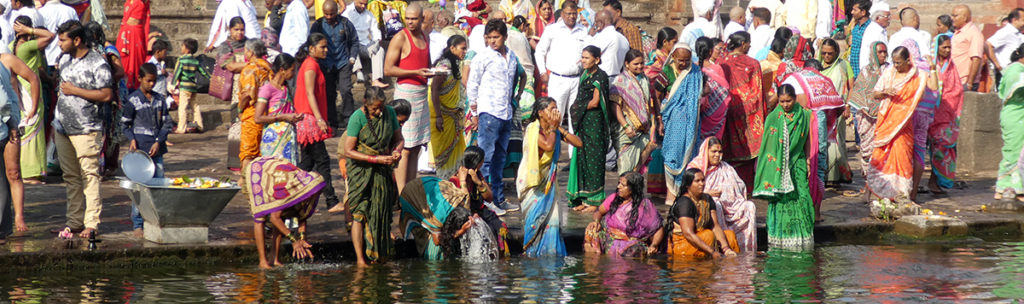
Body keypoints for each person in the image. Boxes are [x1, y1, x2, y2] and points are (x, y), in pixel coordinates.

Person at [53, 20, 114, 238]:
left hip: (86, 128)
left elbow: (107, 95)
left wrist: (75, 91)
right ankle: (74, 221)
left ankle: (91, 223)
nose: (59, 44)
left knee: (89, 175)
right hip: (61, 126)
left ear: (77, 40)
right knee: (70, 176)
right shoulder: (64, 59)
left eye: (63, 40)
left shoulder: (97, 63)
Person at [342, 86, 404, 265]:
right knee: (359, 213)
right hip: (361, 172)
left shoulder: (390, 113)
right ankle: (360, 259)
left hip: (382, 172)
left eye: (381, 107)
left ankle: (379, 255)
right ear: (365, 104)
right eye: (374, 108)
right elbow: (348, 150)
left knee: (381, 212)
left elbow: (399, 139)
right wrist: (375, 159)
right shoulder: (357, 118)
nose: (378, 112)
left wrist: (396, 151)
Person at [778, 59, 845, 220]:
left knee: (793, 166)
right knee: (818, 166)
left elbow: (779, 99)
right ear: (818, 70)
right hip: (817, 127)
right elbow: (839, 107)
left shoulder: (793, 78)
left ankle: (794, 211)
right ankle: (816, 212)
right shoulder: (823, 81)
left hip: (798, 125)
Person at [518, 97, 583, 257]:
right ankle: (532, 254)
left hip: (549, 184)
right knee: (535, 221)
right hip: (533, 185)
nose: (556, 112)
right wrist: (554, 129)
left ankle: (550, 256)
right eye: (551, 108)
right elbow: (548, 145)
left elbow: (579, 143)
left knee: (551, 222)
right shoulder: (533, 129)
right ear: (540, 112)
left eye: (556, 108)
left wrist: (559, 129)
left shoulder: (554, 130)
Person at [752, 84, 813, 249]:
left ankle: (802, 236)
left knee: (801, 197)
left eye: (789, 100)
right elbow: (768, 149)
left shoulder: (804, 115)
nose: (786, 104)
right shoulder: (773, 118)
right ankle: (780, 236)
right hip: (779, 166)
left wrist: (807, 159)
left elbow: (807, 139)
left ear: (794, 98)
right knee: (781, 202)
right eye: (782, 101)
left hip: (798, 163)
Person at [865, 46, 929, 201]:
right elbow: (875, 94)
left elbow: (919, 97)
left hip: (904, 123)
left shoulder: (918, 76)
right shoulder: (889, 73)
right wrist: (885, 91)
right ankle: (879, 194)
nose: (896, 66)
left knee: (902, 156)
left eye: (899, 63)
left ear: (908, 61)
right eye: (894, 62)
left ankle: (900, 195)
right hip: (887, 121)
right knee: (881, 156)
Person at [385, 3, 433, 194]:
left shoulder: (424, 36)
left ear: (422, 19)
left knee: (416, 147)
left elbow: (426, 64)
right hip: (406, 93)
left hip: (422, 93)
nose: (411, 22)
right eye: (408, 18)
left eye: (414, 19)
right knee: (404, 146)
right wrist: (415, 71)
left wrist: (433, 72)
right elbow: (388, 69)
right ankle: (402, 192)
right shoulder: (400, 38)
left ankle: (411, 190)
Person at [120, 63, 171, 237]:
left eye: (154, 81)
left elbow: (167, 124)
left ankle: (156, 220)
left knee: (158, 185)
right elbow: (125, 124)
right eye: (148, 81)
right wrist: (131, 138)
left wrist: (159, 141)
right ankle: (138, 223)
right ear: (140, 79)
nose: (151, 84)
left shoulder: (160, 100)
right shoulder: (132, 100)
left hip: (157, 150)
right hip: (140, 152)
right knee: (139, 188)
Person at [245, 156, 323, 269]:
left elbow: (302, 217)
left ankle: (274, 259)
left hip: (277, 173)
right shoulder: (287, 190)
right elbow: (274, 218)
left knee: (283, 215)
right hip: (259, 171)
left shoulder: (309, 191)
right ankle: (263, 261)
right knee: (260, 216)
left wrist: (302, 240)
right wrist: (293, 240)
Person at [399, 176, 498, 260]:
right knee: (436, 253)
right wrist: (460, 231)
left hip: (431, 188)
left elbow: (468, 203)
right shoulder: (437, 218)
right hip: (413, 195)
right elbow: (437, 241)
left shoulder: (461, 202)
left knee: (450, 241)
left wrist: (473, 216)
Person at [294, 33, 340, 211]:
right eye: (323, 47)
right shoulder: (310, 65)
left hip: (309, 116)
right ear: (311, 48)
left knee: (307, 163)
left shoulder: (312, 64)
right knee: (322, 161)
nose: (326, 50)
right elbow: (310, 93)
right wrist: (319, 118)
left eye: (326, 46)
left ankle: (293, 196)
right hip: (309, 118)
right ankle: (331, 201)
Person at [649, 168, 740, 258]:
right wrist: (712, 252)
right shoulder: (685, 203)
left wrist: (726, 249)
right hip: (682, 243)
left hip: (701, 237)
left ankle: (731, 270)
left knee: (729, 236)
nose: (702, 184)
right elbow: (689, 234)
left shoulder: (708, 199)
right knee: (708, 235)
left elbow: (715, 226)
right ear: (688, 185)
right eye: (697, 181)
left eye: (703, 180)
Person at [686, 137, 756, 252]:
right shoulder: (695, 168)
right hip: (705, 205)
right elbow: (686, 190)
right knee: (715, 203)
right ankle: (722, 245)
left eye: (720, 152)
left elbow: (740, 186)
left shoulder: (726, 168)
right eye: (714, 151)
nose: (717, 155)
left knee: (749, 206)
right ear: (705, 151)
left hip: (731, 206)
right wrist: (706, 194)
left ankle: (747, 250)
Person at [719, 31, 765, 192]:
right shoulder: (752, 63)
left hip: (726, 111)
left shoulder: (720, 62)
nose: (750, 46)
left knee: (728, 151)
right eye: (749, 43)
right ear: (743, 43)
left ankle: (730, 188)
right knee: (747, 153)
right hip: (748, 113)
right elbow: (758, 92)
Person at [659, 41, 702, 206]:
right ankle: (671, 193)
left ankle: (683, 192)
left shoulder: (695, 72)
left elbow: (698, 93)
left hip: (691, 122)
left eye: (687, 60)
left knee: (689, 154)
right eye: (680, 60)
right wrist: (659, 118)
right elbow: (656, 94)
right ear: (673, 57)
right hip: (672, 120)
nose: (684, 64)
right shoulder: (667, 72)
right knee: (672, 154)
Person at [567, 45, 608, 211]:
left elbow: (595, 102)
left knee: (594, 160)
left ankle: (595, 200)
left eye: (587, 58)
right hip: (584, 121)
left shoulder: (601, 76)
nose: (583, 60)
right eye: (582, 57)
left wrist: (576, 108)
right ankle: (583, 197)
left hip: (595, 123)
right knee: (582, 157)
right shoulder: (584, 74)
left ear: (597, 59)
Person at [10, 18, 50, 185]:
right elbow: (50, 35)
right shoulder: (26, 46)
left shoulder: (12, 45)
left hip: (21, 90)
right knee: (32, 128)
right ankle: (31, 172)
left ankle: (30, 170)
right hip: (30, 90)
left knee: (27, 127)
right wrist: (30, 30)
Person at [584, 171, 662, 257]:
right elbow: (598, 212)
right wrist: (596, 221)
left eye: (623, 185)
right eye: (619, 183)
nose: (618, 187)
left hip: (631, 245)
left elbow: (658, 229)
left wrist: (654, 245)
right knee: (591, 231)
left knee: (635, 250)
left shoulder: (645, 206)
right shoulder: (614, 198)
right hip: (609, 239)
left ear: (633, 188)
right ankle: (593, 263)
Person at [311, 0, 360, 129]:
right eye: (326, 14)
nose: (328, 17)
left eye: (331, 14)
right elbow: (311, 42)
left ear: (337, 12)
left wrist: (352, 58)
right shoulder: (318, 25)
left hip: (343, 62)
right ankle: (332, 122)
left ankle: (349, 121)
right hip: (326, 64)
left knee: (346, 90)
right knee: (329, 93)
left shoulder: (345, 23)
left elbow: (354, 41)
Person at [925, 35, 964, 195]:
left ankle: (936, 181)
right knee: (927, 148)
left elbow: (957, 89)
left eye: (949, 47)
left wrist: (947, 98)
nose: (947, 51)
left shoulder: (951, 67)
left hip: (946, 115)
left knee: (942, 149)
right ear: (936, 48)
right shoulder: (929, 65)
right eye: (944, 47)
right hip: (929, 113)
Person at [535, 0, 586, 121]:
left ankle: (572, 140)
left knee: (575, 116)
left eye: (574, 13)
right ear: (562, 14)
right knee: (555, 115)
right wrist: (542, 72)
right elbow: (539, 51)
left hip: (577, 79)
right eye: (568, 13)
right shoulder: (552, 29)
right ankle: (554, 140)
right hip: (558, 79)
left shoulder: (583, 30)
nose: (572, 16)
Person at [847, 41, 887, 191]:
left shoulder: (889, 71)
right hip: (866, 117)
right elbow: (858, 93)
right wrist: (868, 109)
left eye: (884, 52)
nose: (883, 55)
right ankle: (867, 181)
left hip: (884, 117)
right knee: (867, 151)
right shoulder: (866, 72)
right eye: (880, 52)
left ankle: (878, 183)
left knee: (881, 151)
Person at [428, 35, 468, 180]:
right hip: (442, 116)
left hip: (452, 116)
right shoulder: (444, 66)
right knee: (443, 154)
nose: (465, 51)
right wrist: (439, 116)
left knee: (455, 152)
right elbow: (434, 90)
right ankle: (444, 183)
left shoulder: (455, 64)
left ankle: (454, 183)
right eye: (462, 48)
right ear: (452, 48)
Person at [611, 49, 654, 174]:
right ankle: (623, 191)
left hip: (643, 130)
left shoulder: (644, 79)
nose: (640, 66)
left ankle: (635, 192)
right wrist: (626, 126)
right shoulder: (620, 80)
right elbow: (615, 105)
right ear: (627, 64)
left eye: (641, 63)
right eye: (636, 64)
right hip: (627, 132)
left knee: (639, 167)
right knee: (626, 166)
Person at [818, 38, 853, 185]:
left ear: (836, 52)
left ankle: (836, 175)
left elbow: (851, 87)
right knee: (822, 142)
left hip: (837, 111)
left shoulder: (844, 66)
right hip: (821, 111)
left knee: (837, 141)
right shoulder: (817, 66)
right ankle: (823, 175)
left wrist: (847, 106)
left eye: (830, 54)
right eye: (824, 53)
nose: (826, 56)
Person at [255, 54, 301, 164]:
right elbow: (258, 118)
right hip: (274, 139)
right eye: (292, 70)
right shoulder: (267, 89)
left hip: (288, 139)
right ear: (282, 70)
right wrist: (283, 117)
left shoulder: (285, 88)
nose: (294, 74)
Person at [237, 39, 273, 183]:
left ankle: (244, 182)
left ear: (250, 52)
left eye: (245, 50)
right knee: (260, 151)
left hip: (252, 113)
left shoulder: (250, 69)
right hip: (267, 112)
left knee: (248, 152)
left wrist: (240, 109)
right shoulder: (268, 67)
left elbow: (247, 94)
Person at [996, 44, 1024, 201]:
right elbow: (1017, 86)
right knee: (1013, 150)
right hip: (1014, 115)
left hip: (1021, 114)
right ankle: (1003, 187)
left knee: (1021, 152)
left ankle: (1019, 188)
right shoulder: (1015, 70)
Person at [344, 0, 388, 88]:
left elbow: (375, 30)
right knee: (350, 42)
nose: (363, 6)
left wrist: (377, 40)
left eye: (365, 4)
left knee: (380, 50)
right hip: (352, 44)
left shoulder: (369, 14)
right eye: (361, 3)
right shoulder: (347, 13)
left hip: (365, 44)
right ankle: (358, 71)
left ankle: (376, 80)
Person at [695, 36, 730, 141]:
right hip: (716, 115)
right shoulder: (717, 68)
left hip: (699, 114)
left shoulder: (693, 68)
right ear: (711, 51)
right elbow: (724, 93)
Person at [171, 38, 209, 134]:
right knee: (195, 106)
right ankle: (200, 125)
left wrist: (173, 83)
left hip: (184, 87)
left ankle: (181, 127)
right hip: (193, 87)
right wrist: (210, 78)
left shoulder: (181, 60)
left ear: (187, 49)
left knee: (182, 107)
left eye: (182, 46)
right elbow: (203, 72)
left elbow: (177, 73)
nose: (181, 47)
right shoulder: (195, 61)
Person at [114, 0, 148, 90]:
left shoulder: (139, 4)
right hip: (125, 34)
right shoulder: (128, 3)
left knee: (136, 60)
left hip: (134, 35)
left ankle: (134, 85)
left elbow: (133, 21)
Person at [37, 0, 78, 73]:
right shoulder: (70, 10)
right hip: (69, 58)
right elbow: (77, 30)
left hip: (49, 58)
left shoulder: (41, 12)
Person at [848, 0, 885, 78]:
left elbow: (881, 52)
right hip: (853, 71)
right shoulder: (856, 28)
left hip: (868, 74)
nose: (852, 12)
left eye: (855, 10)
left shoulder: (875, 30)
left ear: (863, 12)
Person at [950, 5, 984, 91]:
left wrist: (970, 82)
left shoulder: (973, 33)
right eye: (952, 15)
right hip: (954, 80)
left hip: (965, 82)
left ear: (965, 17)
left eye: (955, 16)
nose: (952, 18)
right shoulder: (958, 32)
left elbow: (976, 59)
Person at [986, 9, 1024, 83]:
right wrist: (998, 66)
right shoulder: (1006, 32)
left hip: (1017, 73)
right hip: (1005, 73)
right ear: (1015, 20)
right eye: (1023, 20)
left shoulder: (1018, 34)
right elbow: (988, 44)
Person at [586, 10, 627, 79]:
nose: (595, 25)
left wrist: (589, 36)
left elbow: (588, 53)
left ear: (601, 23)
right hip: (619, 78)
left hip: (604, 78)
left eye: (596, 22)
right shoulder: (623, 38)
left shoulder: (604, 36)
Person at [645, 27, 677, 104]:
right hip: (656, 99)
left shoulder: (669, 57)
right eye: (674, 42)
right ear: (665, 42)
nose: (676, 45)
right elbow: (649, 75)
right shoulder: (657, 58)